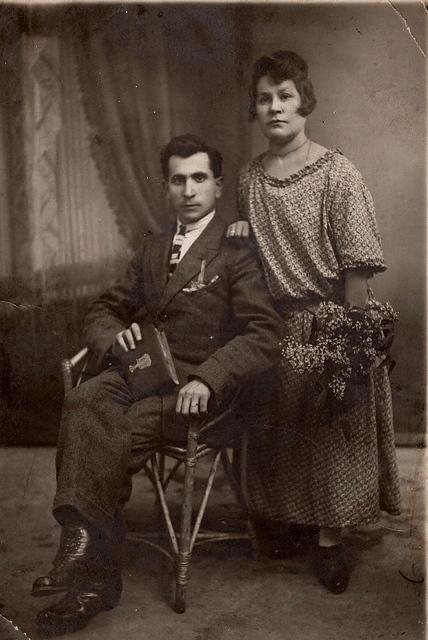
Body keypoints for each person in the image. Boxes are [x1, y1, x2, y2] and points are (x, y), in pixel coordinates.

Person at [32, 133, 281, 634]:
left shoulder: (236, 252)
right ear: (166, 188)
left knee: (107, 437)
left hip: (195, 395)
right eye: (177, 179)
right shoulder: (152, 247)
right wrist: (111, 335)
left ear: (217, 185)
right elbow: (104, 308)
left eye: (199, 178)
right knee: (83, 401)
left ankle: (92, 582)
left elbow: (265, 332)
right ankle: (78, 541)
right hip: (139, 374)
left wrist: (210, 378)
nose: (188, 190)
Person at [227, 50, 401, 593]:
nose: (274, 107)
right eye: (264, 98)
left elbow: (355, 270)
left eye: (285, 95)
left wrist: (349, 347)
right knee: (279, 434)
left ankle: (330, 542)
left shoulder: (336, 172)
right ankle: (287, 524)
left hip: (330, 322)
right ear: (254, 110)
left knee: (330, 435)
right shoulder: (250, 179)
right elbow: (250, 258)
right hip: (271, 327)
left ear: (305, 100)